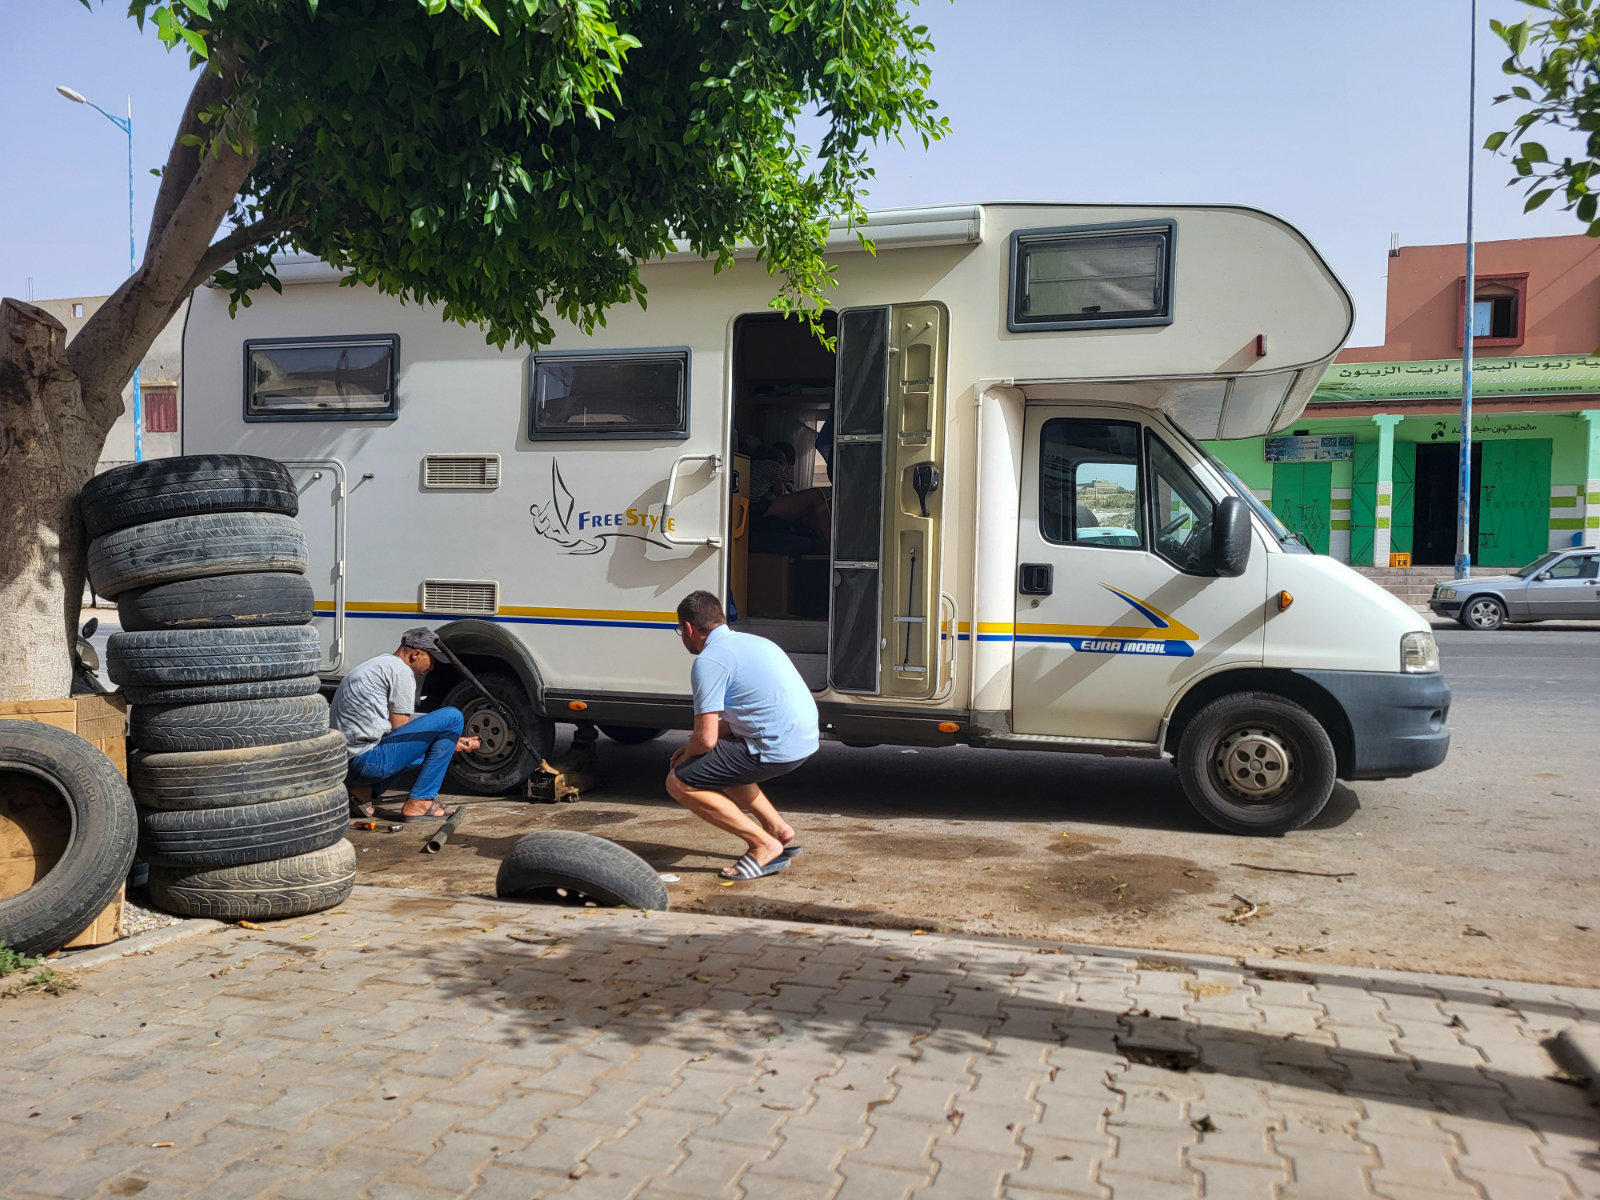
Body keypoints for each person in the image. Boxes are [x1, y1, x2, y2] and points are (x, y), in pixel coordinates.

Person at [666, 591, 818, 880]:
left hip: (775, 746)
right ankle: (778, 829)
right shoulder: (756, 642)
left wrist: (686, 754)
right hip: (805, 739)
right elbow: (737, 718)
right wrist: (692, 748)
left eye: (679, 631)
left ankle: (763, 844)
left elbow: (707, 738)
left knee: (678, 781)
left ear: (687, 629)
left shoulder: (709, 661)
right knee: (719, 765)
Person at [331, 627, 481, 822]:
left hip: (345, 765)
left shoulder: (379, 664)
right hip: (366, 762)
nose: (431, 668)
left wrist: (449, 742)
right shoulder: (401, 671)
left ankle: (360, 793)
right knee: (452, 717)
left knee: (426, 751)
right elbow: (401, 731)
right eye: (431, 661)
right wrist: (445, 741)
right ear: (415, 654)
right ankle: (420, 803)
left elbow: (403, 734)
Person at [749, 441, 831, 548]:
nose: (788, 471)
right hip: (756, 507)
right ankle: (832, 548)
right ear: (781, 461)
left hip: (753, 506)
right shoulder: (775, 467)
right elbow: (781, 495)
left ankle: (825, 544)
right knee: (816, 495)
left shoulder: (756, 465)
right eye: (787, 467)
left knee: (820, 505)